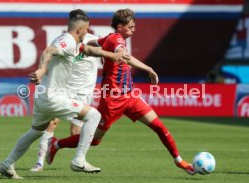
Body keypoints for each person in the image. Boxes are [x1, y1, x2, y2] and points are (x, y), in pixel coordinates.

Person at [46, 8, 196, 175]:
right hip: (112, 100)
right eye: (130, 27)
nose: (133, 30)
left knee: (159, 126)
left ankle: (179, 161)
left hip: (131, 96)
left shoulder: (110, 38)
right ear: (119, 27)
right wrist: (149, 68)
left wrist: (84, 49)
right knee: (95, 140)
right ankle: (56, 144)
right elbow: (123, 56)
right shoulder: (117, 40)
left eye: (134, 26)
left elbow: (94, 44)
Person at [0, 9, 128, 179]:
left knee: (35, 132)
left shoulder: (72, 42)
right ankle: (79, 160)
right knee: (94, 116)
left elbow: (89, 50)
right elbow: (48, 51)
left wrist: (111, 55)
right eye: (86, 30)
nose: (87, 33)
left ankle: (7, 164)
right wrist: (42, 69)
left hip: (44, 96)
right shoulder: (67, 41)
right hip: (53, 97)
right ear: (80, 30)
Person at [30, 33, 101, 172]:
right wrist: (43, 70)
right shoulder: (66, 41)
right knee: (52, 122)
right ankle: (39, 162)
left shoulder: (94, 40)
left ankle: (59, 148)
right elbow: (50, 56)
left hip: (84, 91)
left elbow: (105, 49)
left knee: (75, 131)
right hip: (66, 88)